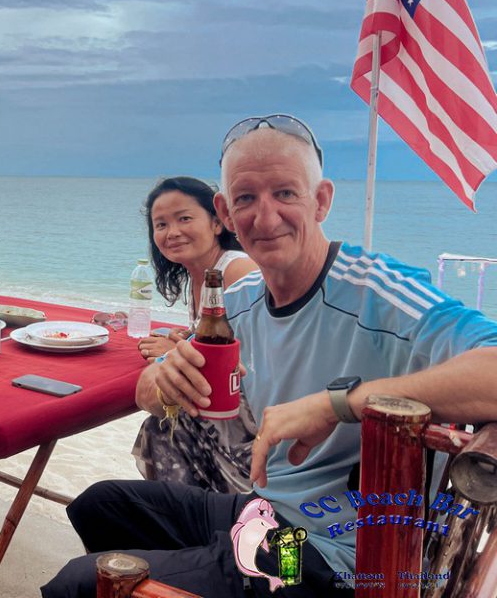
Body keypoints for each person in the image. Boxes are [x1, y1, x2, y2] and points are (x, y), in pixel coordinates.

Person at [43, 114, 497, 597]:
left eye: (285, 193)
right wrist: (167, 378)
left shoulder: (378, 293)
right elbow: (147, 392)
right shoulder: (240, 300)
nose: (264, 217)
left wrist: (337, 405)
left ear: (321, 201)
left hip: (334, 556)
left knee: (78, 584)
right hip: (266, 511)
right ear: (225, 211)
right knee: (99, 505)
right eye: (245, 198)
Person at [131, 176, 258, 493]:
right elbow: (221, 336)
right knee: (162, 423)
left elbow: (250, 356)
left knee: (163, 424)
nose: (172, 232)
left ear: (217, 222)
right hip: (225, 413)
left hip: (255, 430)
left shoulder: (237, 271)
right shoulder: (201, 277)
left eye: (184, 218)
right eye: (161, 224)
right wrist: (187, 339)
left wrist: (173, 353)